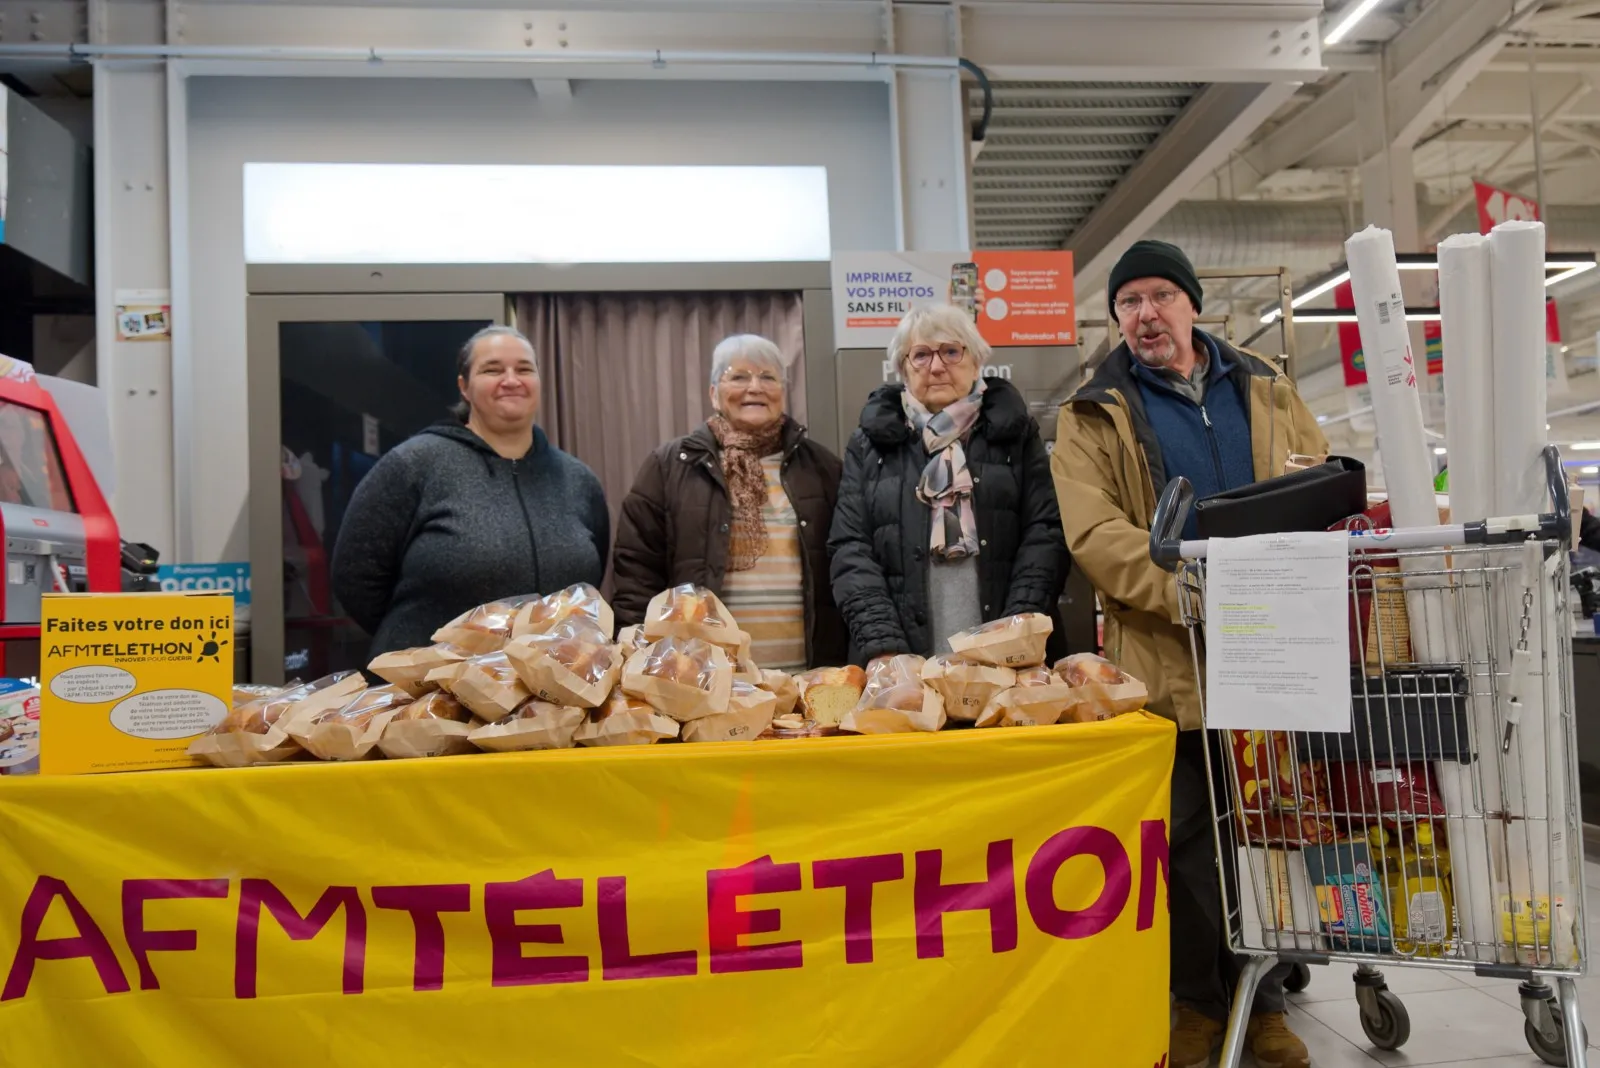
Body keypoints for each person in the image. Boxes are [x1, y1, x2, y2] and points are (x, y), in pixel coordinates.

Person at [1052, 240, 1327, 1068]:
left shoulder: (1267, 387)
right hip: (1166, 656)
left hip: (1272, 645)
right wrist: (1184, 589)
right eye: (1128, 302)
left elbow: (1314, 478)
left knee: (1268, 832)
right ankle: (1200, 1002)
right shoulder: (1092, 412)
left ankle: (1267, 1001)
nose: (1146, 314)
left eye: (1161, 296)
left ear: (1192, 304)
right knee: (1184, 842)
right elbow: (1095, 533)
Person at [332, 325, 609, 659]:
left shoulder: (578, 480)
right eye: (492, 370)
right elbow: (355, 578)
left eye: (524, 369)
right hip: (432, 683)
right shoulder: (413, 465)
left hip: (548, 683)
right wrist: (417, 639)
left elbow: (591, 578)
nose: (511, 380)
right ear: (464, 386)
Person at [829, 304, 1068, 663]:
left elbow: (1046, 532)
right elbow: (850, 548)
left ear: (976, 362)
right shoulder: (868, 444)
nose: (937, 366)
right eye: (921, 355)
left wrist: (1017, 630)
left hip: (1011, 655)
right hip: (900, 660)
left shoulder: (1017, 434)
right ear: (903, 369)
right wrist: (884, 646)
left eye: (951, 352)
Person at [612, 334, 846, 669]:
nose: (755, 387)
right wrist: (643, 661)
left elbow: (847, 566)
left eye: (768, 377)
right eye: (738, 376)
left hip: (807, 678)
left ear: (783, 391)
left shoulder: (823, 468)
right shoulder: (668, 467)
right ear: (713, 393)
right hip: (701, 679)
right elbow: (636, 574)